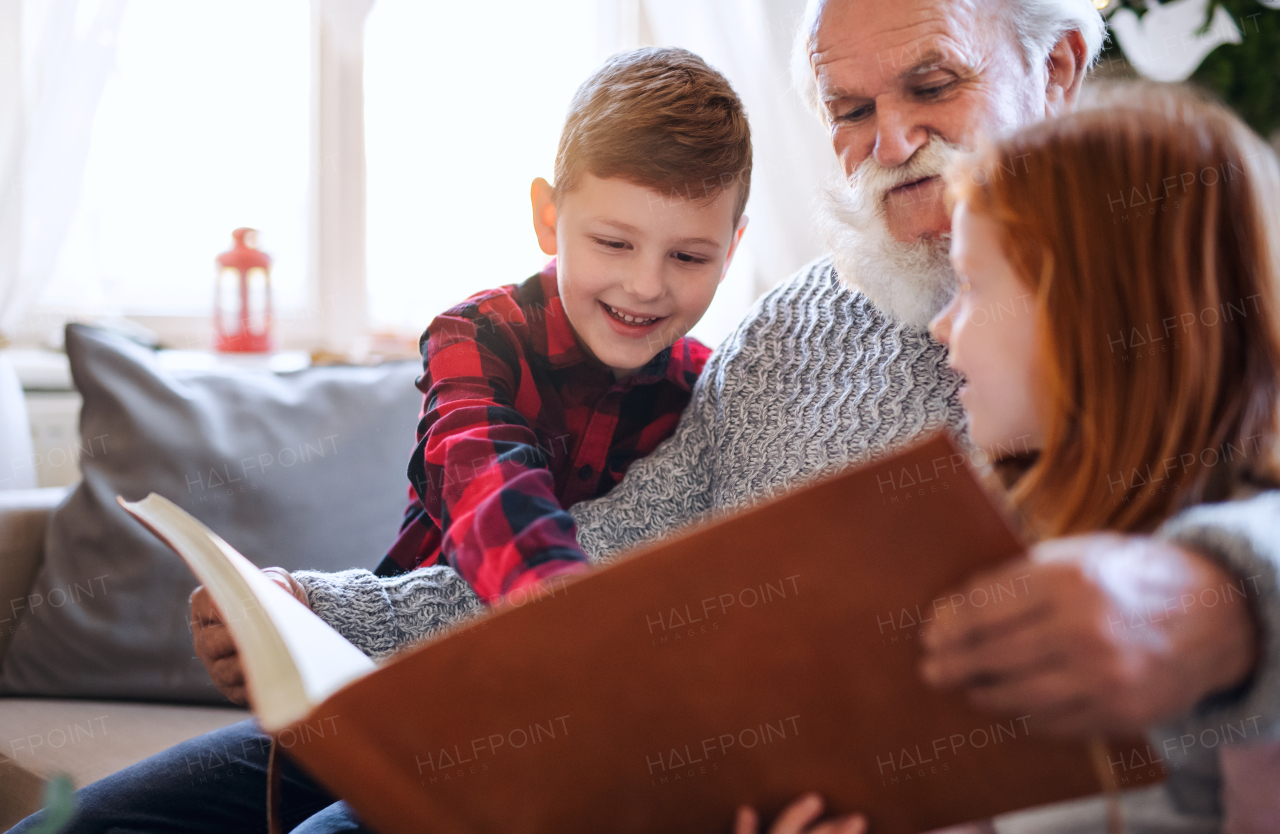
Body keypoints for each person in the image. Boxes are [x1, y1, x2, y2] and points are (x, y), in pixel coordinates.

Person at [238, 2, 1280, 832]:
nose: (893, 140)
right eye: (850, 108)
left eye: (931, 84)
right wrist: (320, 611)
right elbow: (616, 551)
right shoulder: (789, 326)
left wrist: (1208, 594)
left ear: (1052, 68)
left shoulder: (1172, 286)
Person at [6, 45, 750, 834]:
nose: (645, 285)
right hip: (382, 694)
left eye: (689, 256)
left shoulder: (708, 393)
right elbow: (491, 493)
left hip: (543, 747)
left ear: (732, 250)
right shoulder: (478, 337)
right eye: (614, 242)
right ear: (547, 215)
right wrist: (281, 619)